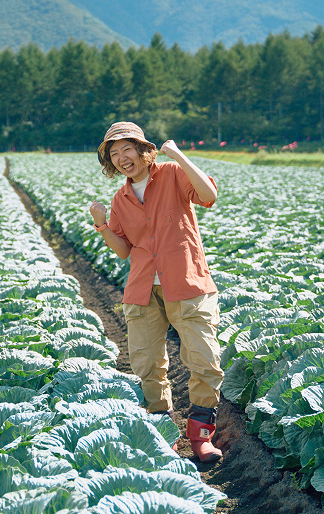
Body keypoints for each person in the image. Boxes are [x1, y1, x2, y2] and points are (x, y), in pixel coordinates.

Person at [88, 122, 225, 462]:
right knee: (148, 366)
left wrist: (178, 155)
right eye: (114, 154)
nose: (122, 158)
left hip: (186, 282)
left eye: (127, 149)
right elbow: (123, 250)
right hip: (143, 289)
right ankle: (164, 435)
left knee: (205, 361)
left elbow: (208, 195)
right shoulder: (120, 199)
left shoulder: (173, 174)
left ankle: (201, 437)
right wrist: (101, 224)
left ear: (142, 150)